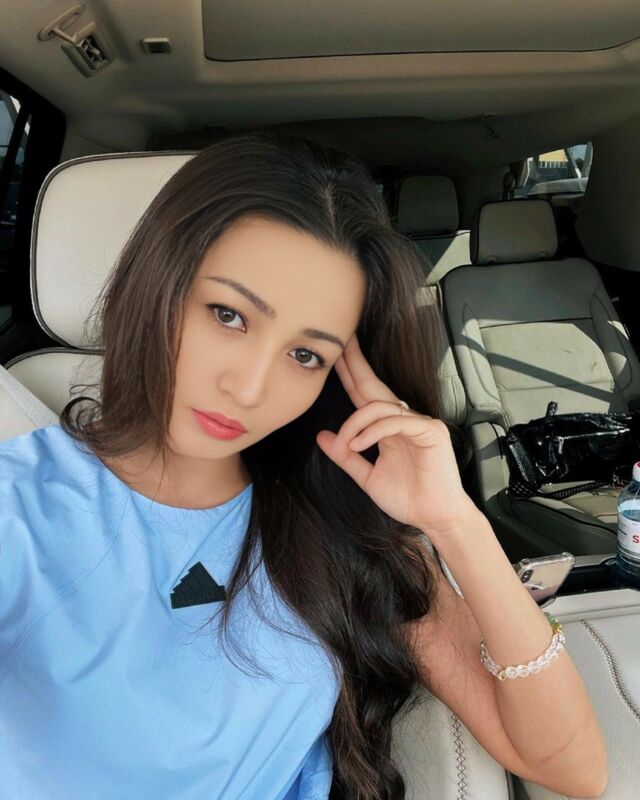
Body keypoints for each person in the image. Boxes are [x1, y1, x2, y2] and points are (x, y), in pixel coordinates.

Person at [0, 131, 607, 800]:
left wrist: (455, 521)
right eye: (228, 315)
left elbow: (571, 769)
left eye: (305, 355)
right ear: (158, 282)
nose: (249, 387)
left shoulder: (339, 527)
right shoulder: (19, 503)